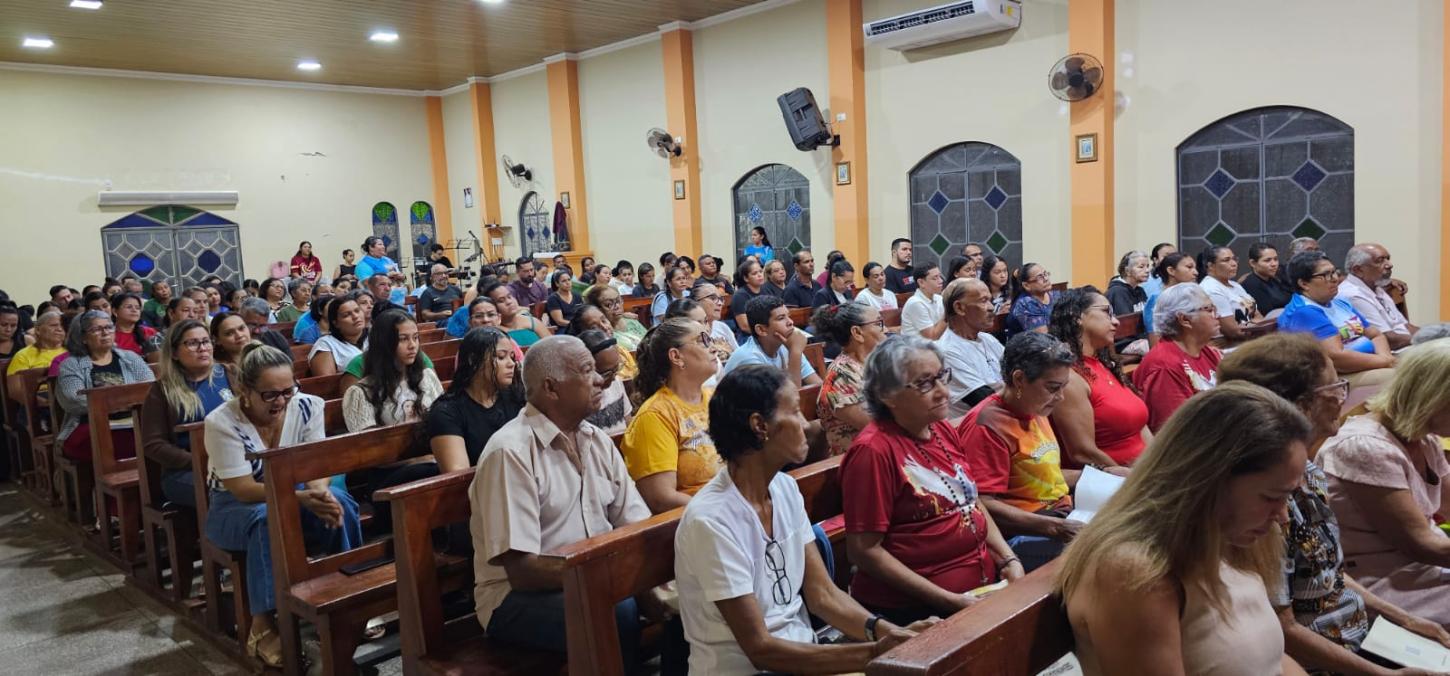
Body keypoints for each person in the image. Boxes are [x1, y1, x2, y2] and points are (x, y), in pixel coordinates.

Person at [1217, 334, 1450, 674]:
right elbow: (1283, 629)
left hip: (1362, 629)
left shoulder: (1308, 473)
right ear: (1297, 404)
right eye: (1335, 388)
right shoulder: (1255, 498)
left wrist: (1409, 622)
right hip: (1347, 642)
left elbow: (1329, 573)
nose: (1344, 398)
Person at [675, 364, 924, 675]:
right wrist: (875, 653)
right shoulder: (711, 520)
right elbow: (760, 649)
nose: (806, 425)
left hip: (801, 656)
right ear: (759, 426)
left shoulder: (784, 488)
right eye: (794, 412)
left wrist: (890, 634)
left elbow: (823, 595)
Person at [1055, 382, 1311, 675]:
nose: (1282, 516)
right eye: (1271, 497)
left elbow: (1272, 661)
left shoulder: (1231, 538)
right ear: (1208, 480)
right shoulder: (1134, 571)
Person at [468, 335, 651, 663]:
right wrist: (608, 574)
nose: (600, 380)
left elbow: (635, 523)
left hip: (590, 577)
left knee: (690, 586)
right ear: (551, 389)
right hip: (515, 599)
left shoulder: (596, 441)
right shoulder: (511, 453)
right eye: (586, 371)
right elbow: (523, 571)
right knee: (614, 611)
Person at [842, 334, 1022, 625]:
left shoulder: (939, 428)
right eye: (925, 383)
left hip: (981, 588)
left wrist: (1008, 557)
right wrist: (949, 600)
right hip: (917, 609)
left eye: (941, 377)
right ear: (887, 395)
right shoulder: (873, 452)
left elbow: (969, 501)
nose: (943, 392)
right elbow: (864, 551)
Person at [204, 343, 360, 667]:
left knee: (340, 500)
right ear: (244, 390)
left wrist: (319, 493)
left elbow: (316, 466)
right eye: (270, 395)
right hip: (234, 507)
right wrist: (301, 498)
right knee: (266, 518)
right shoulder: (222, 422)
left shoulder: (307, 406)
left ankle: (345, 595)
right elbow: (244, 489)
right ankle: (262, 623)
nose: (282, 401)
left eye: (288, 391)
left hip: (294, 494)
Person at [1316, 341, 1450, 627]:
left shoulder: (1423, 438)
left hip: (1423, 568)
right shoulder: (1364, 447)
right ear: (1434, 397)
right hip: (1382, 582)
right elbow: (1419, 544)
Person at [957, 333, 1078, 570]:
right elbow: (983, 504)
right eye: (1053, 388)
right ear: (1020, 379)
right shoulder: (988, 425)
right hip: (1026, 533)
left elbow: (1039, 473)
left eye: (1063, 388)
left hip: (1060, 515)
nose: (1060, 397)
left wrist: (1101, 477)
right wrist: (1055, 527)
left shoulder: (1035, 408)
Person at [621, 318, 721, 513]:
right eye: (703, 341)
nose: (714, 348)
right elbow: (661, 499)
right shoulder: (654, 416)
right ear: (676, 356)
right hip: (697, 521)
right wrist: (723, 510)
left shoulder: (715, 398)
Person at [1047, 287, 1148, 471]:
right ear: (1077, 316)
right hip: (1111, 481)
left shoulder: (1104, 365)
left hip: (1142, 471)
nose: (1116, 322)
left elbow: (1140, 428)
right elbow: (1082, 452)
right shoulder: (1068, 376)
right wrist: (1138, 479)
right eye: (1106, 312)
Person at [139, 319, 232, 509]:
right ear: (174, 352)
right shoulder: (162, 390)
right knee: (235, 490)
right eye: (192, 343)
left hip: (235, 460)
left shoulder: (230, 374)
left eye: (206, 341)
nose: (202, 348)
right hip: (186, 471)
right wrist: (200, 462)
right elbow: (153, 444)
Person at [1279, 251, 1396, 389]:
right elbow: (1337, 358)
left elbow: (1375, 334)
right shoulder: (1305, 312)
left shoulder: (1338, 301)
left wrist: (1385, 358)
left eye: (1334, 272)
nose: (1335, 278)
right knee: (1404, 377)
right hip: (1334, 380)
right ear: (1304, 283)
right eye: (1326, 275)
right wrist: (1383, 361)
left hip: (1369, 364)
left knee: (1420, 365)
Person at [55, 310, 155, 463]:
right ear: (82, 337)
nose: (105, 333)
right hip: (89, 425)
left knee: (157, 439)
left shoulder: (130, 357)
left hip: (132, 422)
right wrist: (123, 403)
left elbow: (149, 388)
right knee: (120, 442)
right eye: (96, 329)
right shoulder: (71, 365)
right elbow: (74, 400)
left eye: (108, 327)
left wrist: (112, 402)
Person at [427, 327, 524, 472]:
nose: (511, 364)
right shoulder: (447, 411)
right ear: (473, 360)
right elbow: (457, 475)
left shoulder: (517, 396)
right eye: (501, 357)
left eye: (512, 357)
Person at [1133, 284, 1220, 433]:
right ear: (1185, 319)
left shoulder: (1205, 351)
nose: (1217, 315)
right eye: (1209, 309)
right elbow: (1177, 430)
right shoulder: (1164, 367)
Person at [342, 309, 443, 432]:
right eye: (403, 339)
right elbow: (368, 446)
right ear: (384, 343)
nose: (412, 345)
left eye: (415, 338)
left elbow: (444, 419)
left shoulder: (427, 376)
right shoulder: (361, 392)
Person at [810, 303, 886, 457]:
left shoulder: (876, 362)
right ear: (857, 332)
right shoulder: (840, 377)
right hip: (860, 460)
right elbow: (880, 427)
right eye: (878, 324)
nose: (886, 329)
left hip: (884, 451)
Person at [937, 279, 1005, 418]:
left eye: (990, 300)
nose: (991, 307)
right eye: (983, 301)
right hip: (981, 426)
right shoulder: (947, 351)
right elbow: (985, 401)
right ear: (959, 308)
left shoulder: (987, 339)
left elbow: (1019, 371)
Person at [723, 295, 821, 387]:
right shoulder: (748, 358)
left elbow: (818, 386)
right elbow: (789, 400)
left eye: (788, 316)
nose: (790, 322)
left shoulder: (785, 345)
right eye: (781, 318)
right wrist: (795, 352)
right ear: (761, 330)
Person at [1337, 243, 1417, 350]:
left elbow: (1405, 326)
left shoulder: (1376, 286)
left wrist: (1438, 334)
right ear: (1358, 270)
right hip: (1389, 352)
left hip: (1406, 345)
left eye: (1388, 259)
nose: (1389, 265)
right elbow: (1388, 339)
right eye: (1380, 261)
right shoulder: (1353, 295)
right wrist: (1427, 340)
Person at [577, 329, 633, 437]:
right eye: (606, 374)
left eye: (616, 368)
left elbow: (628, 420)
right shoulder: (578, 399)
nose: (613, 377)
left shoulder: (615, 380)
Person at [1197, 245, 1261, 340]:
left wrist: (1254, 325)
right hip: (1231, 345)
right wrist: (1258, 326)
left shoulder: (1235, 285)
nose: (1234, 263)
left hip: (1251, 338)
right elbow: (1233, 331)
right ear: (1210, 266)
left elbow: (1258, 315)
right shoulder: (1211, 289)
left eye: (1234, 259)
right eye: (1226, 260)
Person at [6, 310, 65, 405]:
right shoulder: (24, 355)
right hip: (38, 400)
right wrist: (45, 403)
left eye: (63, 326)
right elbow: (15, 391)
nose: (60, 329)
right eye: (53, 325)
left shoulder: (72, 351)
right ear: (37, 330)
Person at [567, 304, 638, 380]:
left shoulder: (621, 350)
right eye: (594, 327)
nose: (605, 327)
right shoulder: (589, 364)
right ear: (583, 334)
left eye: (604, 320)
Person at [307, 292, 368, 377]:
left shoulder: (374, 336)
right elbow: (327, 384)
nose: (355, 316)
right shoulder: (326, 345)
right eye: (346, 315)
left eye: (357, 311)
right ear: (336, 323)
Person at [1105, 251, 1151, 355]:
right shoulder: (1117, 292)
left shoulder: (1140, 291)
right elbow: (1126, 327)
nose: (1147, 270)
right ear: (1127, 271)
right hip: (1122, 343)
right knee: (1158, 347)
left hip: (1139, 338)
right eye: (1141, 267)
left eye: (1148, 266)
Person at [1142, 252, 1198, 334]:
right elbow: (1155, 339)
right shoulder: (1157, 300)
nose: (1196, 272)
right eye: (1189, 267)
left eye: (1195, 268)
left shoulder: (1190, 295)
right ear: (1171, 270)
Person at [485, 282, 551, 349]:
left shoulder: (532, 322)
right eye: (501, 301)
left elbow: (553, 346)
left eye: (509, 296)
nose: (509, 302)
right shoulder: (493, 331)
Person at [585, 284, 646, 352]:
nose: (617, 306)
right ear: (597, 309)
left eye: (618, 301)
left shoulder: (632, 321)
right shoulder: (602, 334)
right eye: (609, 304)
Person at [1005, 262, 1056, 338]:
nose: (1046, 278)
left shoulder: (1054, 295)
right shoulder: (1025, 304)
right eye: (1040, 277)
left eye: (1045, 274)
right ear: (1026, 285)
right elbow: (1043, 338)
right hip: (1027, 348)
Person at [1241, 242, 1294, 315]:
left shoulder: (1274, 279)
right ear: (1253, 263)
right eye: (1267, 260)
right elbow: (1267, 314)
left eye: (1275, 259)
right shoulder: (1252, 284)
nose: (1274, 264)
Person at [900, 263, 946, 339]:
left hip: (936, 344)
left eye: (940, 276)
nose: (941, 281)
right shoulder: (915, 303)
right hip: (917, 348)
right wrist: (949, 312)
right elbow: (932, 336)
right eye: (935, 278)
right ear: (921, 282)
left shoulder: (938, 298)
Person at [729, 257, 770, 341]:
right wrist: (766, 334)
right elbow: (744, 326)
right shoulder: (740, 296)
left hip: (767, 331)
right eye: (754, 273)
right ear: (746, 278)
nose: (759, 275)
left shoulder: (766, 290)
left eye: (760, 271)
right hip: (748, 336)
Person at [110, 292, 157, 357]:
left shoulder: (149, 332)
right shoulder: (109, 336)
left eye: (137, 308)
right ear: (115, 311)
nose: (134, 310)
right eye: (129, 307)